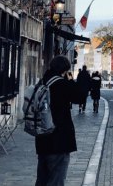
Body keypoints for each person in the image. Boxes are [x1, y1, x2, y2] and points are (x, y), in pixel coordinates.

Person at [35, 55, 85, 186]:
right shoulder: (62, 84)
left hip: (42, 137)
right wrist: (70, 80)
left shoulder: (42, 82)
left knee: (42, 179)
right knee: (57, 179)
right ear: (64, 70)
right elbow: (80, 97)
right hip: (59, 139)